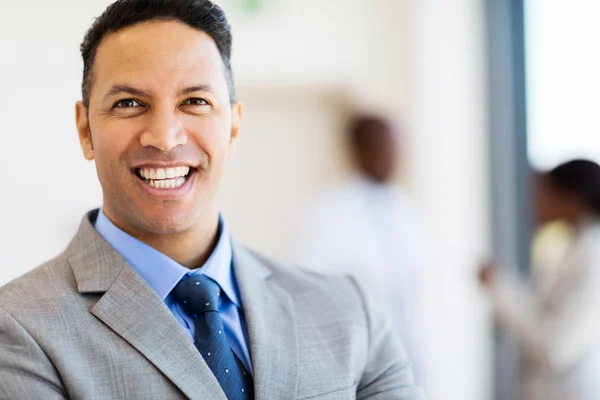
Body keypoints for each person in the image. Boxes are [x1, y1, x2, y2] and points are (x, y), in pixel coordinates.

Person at [291, 115, 429, 382]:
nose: (390, 157)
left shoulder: (408, 211)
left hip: (409, 362)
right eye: (380, 147)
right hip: (354, 364)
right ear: (356, 150)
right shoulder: (327, 213)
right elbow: (306, 293)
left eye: (393, 148)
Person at [479, 159, 600, 400]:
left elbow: (557, 347)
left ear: (571, 198)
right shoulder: (571, 249)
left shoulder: (591, 255)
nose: (533, 201)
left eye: (543, 192)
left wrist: (501, 290)